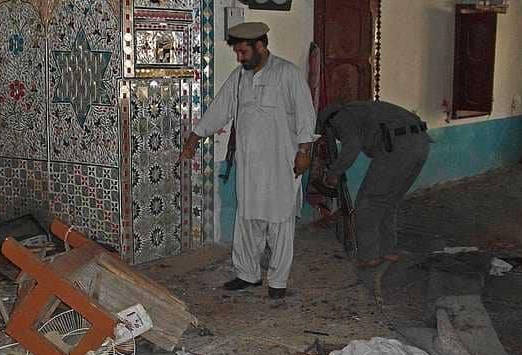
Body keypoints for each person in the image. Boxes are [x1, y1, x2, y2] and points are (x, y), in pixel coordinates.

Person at [181, 22, 317, 299]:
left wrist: (304, 152)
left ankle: (278, 282)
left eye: (243, 52)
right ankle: (247, 274)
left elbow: (306, 115)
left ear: (260, 46)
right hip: (250, 166)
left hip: (282, 164)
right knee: (248, 220)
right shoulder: (240, 78)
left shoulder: (287, 74)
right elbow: (220, 108)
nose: (239, 58)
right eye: (237, 53)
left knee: (279, 223)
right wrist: (195, 137)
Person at [317, 100, 430, 268]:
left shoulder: (340, 117)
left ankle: (368, 256)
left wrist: (333, 173)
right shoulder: (361, 109)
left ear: (328, 123)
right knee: (389, 201)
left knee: (368, 202)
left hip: (398, 146)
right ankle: (387, 250)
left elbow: (352, 146)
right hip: (422, 143)